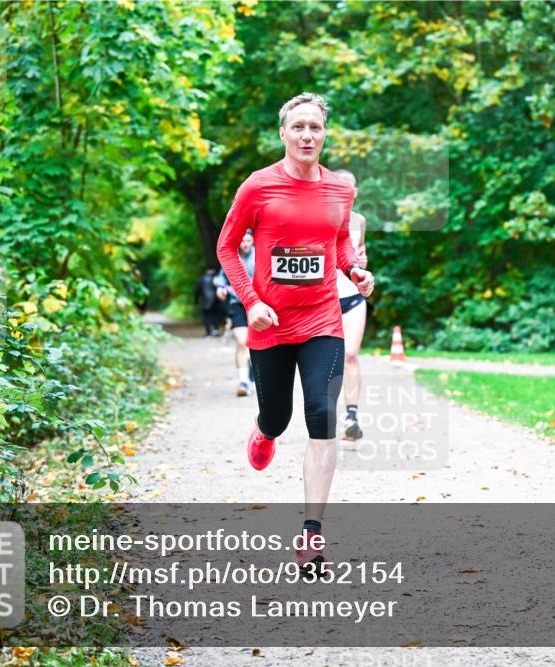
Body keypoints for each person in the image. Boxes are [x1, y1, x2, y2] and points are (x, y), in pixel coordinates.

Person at [216, 92, 374, 571]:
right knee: (279, 417)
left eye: (316, 127)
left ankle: (312, 535)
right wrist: (252, 300)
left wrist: (355, 271)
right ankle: (264, 431)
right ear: (283, 133)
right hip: (271, 322)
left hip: (322, 318)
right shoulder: (257, 187)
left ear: (324, 134)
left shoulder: (339, 191)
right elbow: (226, 249)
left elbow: (340, 242)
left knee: (323, 415)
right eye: (299, 127)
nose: (308, 135)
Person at [331, 169, 369, 441]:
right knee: (328, 361)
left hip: (353, 296)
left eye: (348, 187)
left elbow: (359, 251)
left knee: (351, 355)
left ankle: (351, 418)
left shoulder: (360, 221)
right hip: (324, 299)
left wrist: (361, 262)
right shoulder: (319, 217)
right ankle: (324, 414)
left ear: (354, 192)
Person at [215, 231, 256, 396]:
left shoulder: (260, 256)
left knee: (254, 345)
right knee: (241, 341)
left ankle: (252, 372)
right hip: (236, 304)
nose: (245, 243)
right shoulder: (231, 256)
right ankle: (243, 382)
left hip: (256, 305)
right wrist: (220, 288)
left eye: (248, 240)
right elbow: (221, 278)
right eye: (242, 240)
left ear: (253, 241)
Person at [194, 267, 222, 337]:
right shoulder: (216, 279)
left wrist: (196, 300)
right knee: (216, 315)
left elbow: (197, 291)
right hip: (216, 301)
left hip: (206, 302)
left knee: (206, 317)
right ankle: (216, 330)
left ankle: (208, 333)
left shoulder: (202, 279)